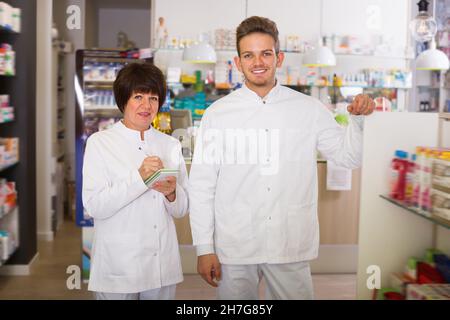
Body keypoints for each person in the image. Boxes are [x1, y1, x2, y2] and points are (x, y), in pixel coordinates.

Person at [188, 16, 374, 300]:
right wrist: (204, 248)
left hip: (289, 240)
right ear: (238, 63)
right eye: (248, 55)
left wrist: (359, 121)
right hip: (236, 242)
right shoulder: (218, 114)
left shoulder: (308, 109)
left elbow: (349, 157)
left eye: (266, 53)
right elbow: (202, 186)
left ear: (279, 57)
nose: (258, 61)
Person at [82, 62, 189, 300]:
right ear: (123, 100)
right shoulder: (100, 143)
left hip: (161, 265)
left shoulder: (170, 145)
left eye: (153, 98)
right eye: (138, 96)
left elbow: (182, 210)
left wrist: (172, 194)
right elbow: (95, 206)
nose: (146, 105)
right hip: (119, 267)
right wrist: (140, 178)